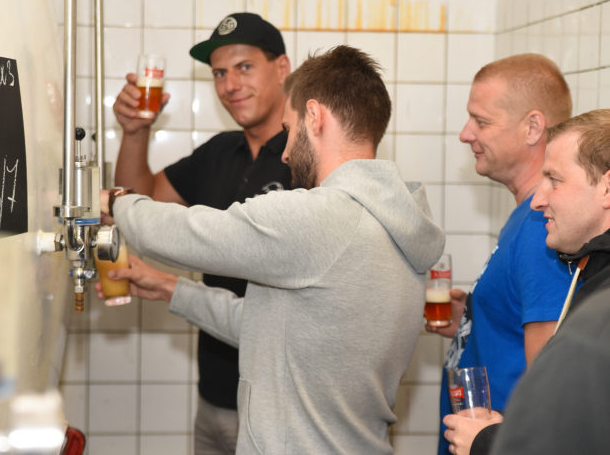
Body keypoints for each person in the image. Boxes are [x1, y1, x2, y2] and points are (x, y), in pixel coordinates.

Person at [101, 45, 445, 453]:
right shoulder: (393, 221)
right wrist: (168, 289)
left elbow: (194, 233)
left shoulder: (322, 216)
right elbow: (270, 331)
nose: (284, 152)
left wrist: (115, 203)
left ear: (314, 116)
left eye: (289, 129)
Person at [111, 12, 292, 454]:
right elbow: (139, 202)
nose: (230, 85)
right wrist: (136, 131)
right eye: (219, 73)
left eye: (244, 67)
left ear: (282, 68)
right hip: (213, 397)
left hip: (282, 408)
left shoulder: (305, 156)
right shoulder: (218, 152)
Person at [428, 53, 573, 455]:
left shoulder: (542, 228)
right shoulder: (526, 216)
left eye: (481, 121)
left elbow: (549, 385)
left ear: (533, 127)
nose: (465, 134)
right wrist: (473, 317)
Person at [450, 109, 610, 455]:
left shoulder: (603, 305)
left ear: (607, 190)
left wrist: (486, 442)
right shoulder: (590, 273)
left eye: (554, 180)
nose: (537, 200)